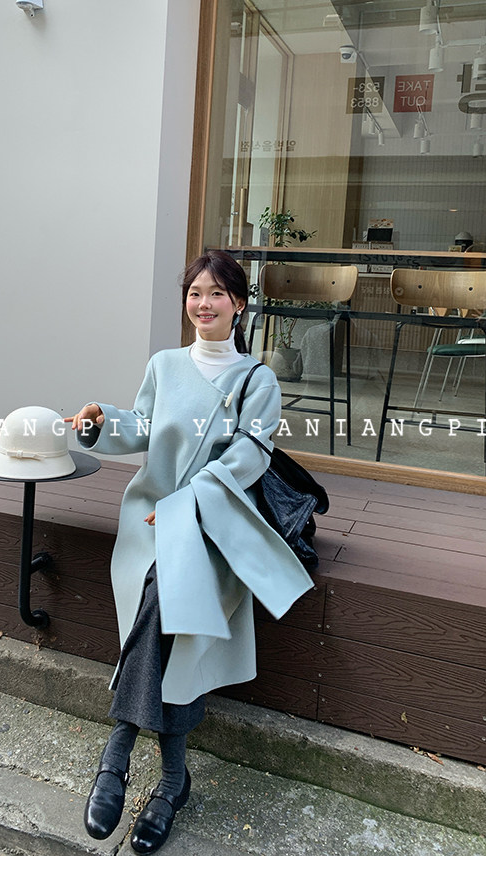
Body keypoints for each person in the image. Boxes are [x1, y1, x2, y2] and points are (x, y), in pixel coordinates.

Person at [66, 250, 314, 855]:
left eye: (216, 293)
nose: (203, 304)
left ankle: (118, 754)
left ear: (239, 304)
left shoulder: (257, 380)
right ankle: (173, 780)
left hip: (215, 523)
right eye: (195, 292)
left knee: (168, 595)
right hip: (151, 518)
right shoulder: (165, 364)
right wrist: (100, 422)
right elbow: (141, 426)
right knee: (168, 614)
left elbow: (250, 457)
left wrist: (192, 503)